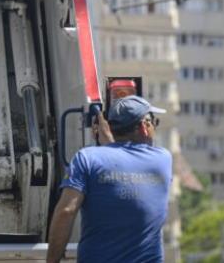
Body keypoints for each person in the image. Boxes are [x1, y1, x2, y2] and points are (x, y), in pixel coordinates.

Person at [46, 95, 172, 263]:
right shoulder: (163, 159)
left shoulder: (87, 159)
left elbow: (66, 211)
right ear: (144, 126)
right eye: (154, 122)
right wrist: (110, 144)